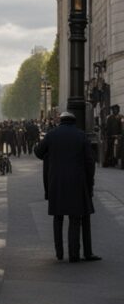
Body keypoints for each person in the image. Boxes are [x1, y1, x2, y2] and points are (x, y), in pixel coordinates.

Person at [34, 111, 99, 263]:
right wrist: (90, 181)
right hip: (77, 181)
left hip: (56, 181)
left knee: (58, 217)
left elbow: (38, 152)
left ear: (61, 121)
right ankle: (74, 254)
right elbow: (90, 161)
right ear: (74, 121)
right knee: (75, 218)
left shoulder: (51, 135)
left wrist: (52, 156)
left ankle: (59, 253)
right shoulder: (81, 135)